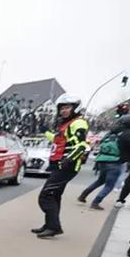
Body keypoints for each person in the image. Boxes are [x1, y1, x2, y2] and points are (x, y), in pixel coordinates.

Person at [31, 94, 89, 238]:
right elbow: (58, 140)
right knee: (55, 195)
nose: (64, 111)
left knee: (46, 195)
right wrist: (45, 131)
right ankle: (50, 225)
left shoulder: (78, 123)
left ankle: (53, 226)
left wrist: (69, 159)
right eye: (62, 108)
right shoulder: (66, 124)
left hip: (67, 166)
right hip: (58, 164)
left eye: (67, 107)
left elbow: (82, 145)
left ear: (75, 108)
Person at [76, 115, 130, 209]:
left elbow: (101, 142)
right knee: (109, 185)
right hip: (115, 162)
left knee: (100, 180)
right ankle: (96, 202)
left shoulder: (111, 132)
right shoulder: (128, 134)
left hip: (102, 160)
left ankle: (84, 194)